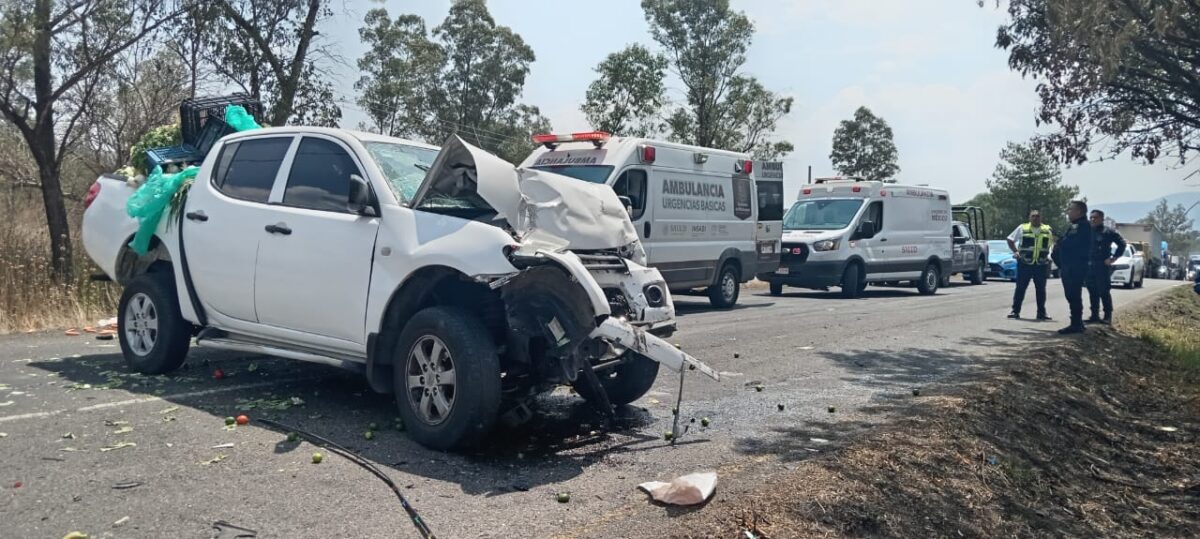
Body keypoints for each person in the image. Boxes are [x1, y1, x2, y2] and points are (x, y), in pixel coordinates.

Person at [1051, 200, 1093, 334]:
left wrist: (1059, 241)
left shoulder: (1081, 226)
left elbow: (1070, 244)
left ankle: (1076, 324)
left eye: (1070, 209)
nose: (1068, 212)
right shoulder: (1075, 226)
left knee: (1073, 294)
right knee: (1071, 294)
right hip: (1069, 266)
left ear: (1078, 211)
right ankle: (1076, 322)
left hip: (1075, 266)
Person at [1006, 210, 1053, 321]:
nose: (1035, 218)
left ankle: (1041, 313)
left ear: (1041, 218)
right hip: (1025, 263)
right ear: (1029, 217)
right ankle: (1015, 311)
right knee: (1020, 288)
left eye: (1038, 216)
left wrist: (1050, 255)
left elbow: (1051, 244)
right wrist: (1016, 251)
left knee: (1041, 289)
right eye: (1033, 216)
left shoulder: (1047, 229)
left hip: (1041, 263)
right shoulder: (1022, 228)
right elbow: (1010, 239)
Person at [1086, 209, 1125, 324]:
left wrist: (1113, 258)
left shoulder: (1108, 232)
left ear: (1102, 219)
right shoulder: (1087, 231)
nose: (1093, 219)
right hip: (1089, 265)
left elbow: (1122, 244)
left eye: (1095, 217)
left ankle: (1107, 316)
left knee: (1103, 291)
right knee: (1092, 290)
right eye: (1091, 217)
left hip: (1102, 265)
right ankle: (1094, 315)